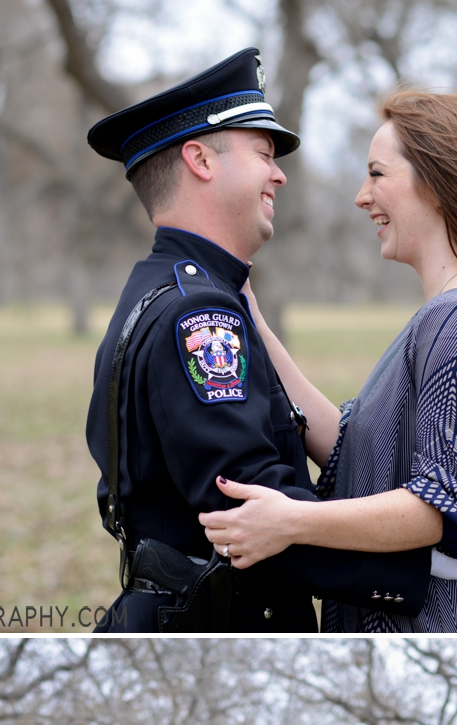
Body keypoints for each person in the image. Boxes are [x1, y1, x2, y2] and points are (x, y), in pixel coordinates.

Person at [85, 47, 433, 632]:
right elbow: (246, 505)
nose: (279, 174)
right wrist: (420, 568)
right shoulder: (199, 313)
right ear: (199, 160)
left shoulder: (163, 290)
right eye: (264, 154)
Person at [199, 88, 457, 633]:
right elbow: (355, 452)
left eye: (377, 174)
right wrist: (252, 321)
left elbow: (446, 505)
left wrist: (290, 522)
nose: (360, 196)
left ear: (441, 186)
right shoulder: (446, 316)